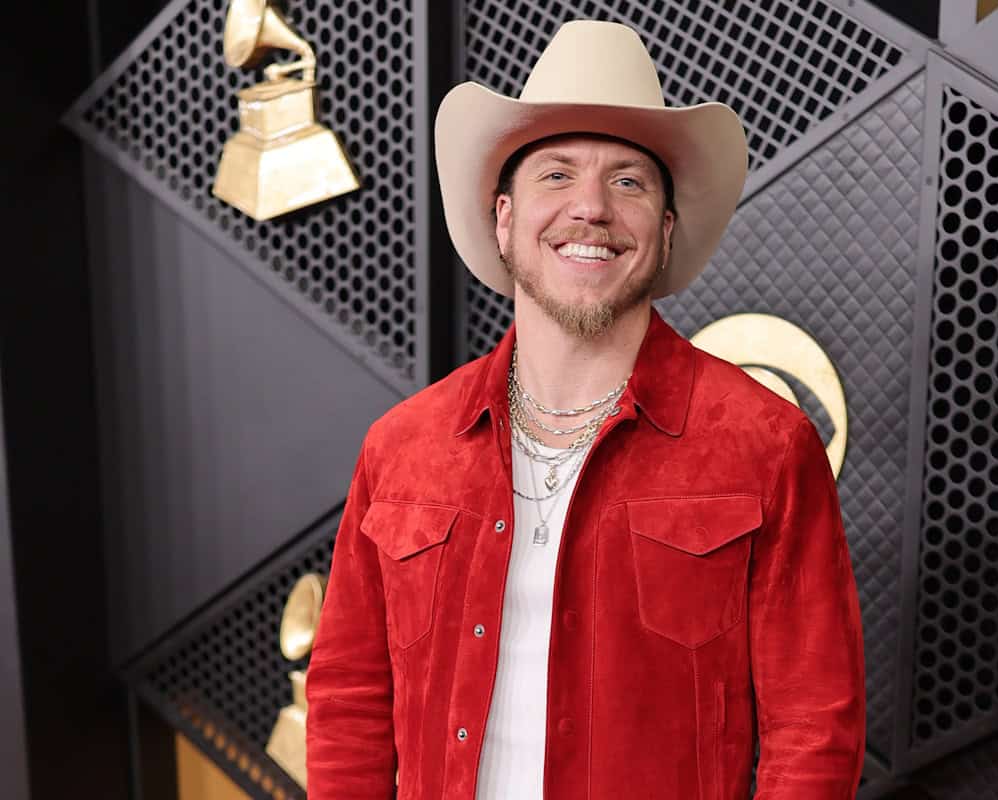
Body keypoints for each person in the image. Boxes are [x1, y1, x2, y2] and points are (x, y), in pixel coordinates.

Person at [306, 19, 865, 800]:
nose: (592, 208)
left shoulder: (765, 445)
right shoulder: (402, 448)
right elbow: (349, 703)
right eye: (557, 175)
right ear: (503, 218)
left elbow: (814, 729)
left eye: (629, 181)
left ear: (665, 232)